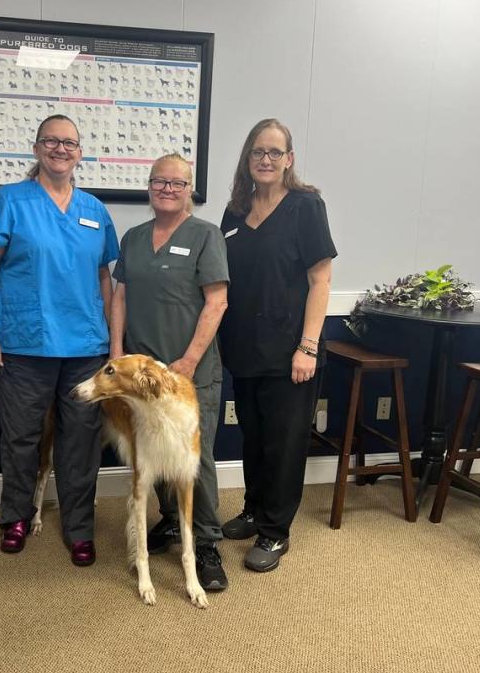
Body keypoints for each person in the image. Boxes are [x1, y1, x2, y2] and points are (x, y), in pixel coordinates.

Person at [0, 114, 119, 566]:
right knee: (21, 437)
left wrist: (114, 344)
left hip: (85, 348)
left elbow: (105, 279)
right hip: (23, 343)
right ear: (36, 149)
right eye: (51, 141)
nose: (60, 149)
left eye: (69, 143)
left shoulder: (94, 210)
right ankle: (14, 517)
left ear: (80, 153)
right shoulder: (10, 201)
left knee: (81, 441)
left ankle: (79, 528)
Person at [218, 118, 337, 573]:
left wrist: (307, 347)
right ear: (247, 160)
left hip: (292, 350)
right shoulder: (234, 211)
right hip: (245, 347)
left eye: (274, 152)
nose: (265, 160)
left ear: (289, 159)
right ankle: (253, 509)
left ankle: (275, 531)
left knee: (285, 443)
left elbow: (320, 279)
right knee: (254, 436)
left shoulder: (306, 206)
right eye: (257, 152)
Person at [110, 153, 230, 591]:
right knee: (154, 453)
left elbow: (217, 302)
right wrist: (117, 351)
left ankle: (207, 543)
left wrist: (190, 360)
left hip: (188, 373)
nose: (167, 189)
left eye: (176, 183)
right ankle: (170, 520)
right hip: (143, 376)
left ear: (189, 190)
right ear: (149, 186)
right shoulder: (134, 238)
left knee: (195, 460)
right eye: (159, 181)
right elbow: (120, 296)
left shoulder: (205, 236)